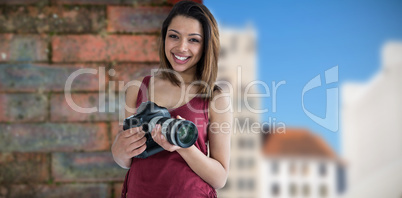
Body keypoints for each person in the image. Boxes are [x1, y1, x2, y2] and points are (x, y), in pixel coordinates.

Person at [111, 1, 232, 197]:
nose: (181, 47)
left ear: (206, 45)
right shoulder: (137, 89)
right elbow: (129, 159)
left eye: (193, 40)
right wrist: (118, 152)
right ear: (164, 38)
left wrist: (183, 146)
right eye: (174, 36)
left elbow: (220, 178)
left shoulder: (215, 98)